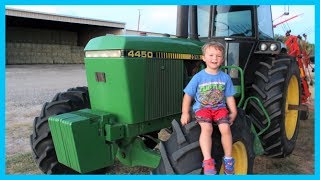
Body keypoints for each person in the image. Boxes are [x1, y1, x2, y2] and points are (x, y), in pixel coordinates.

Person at [180, 41, 237, 175]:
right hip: (202, 109)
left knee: (225, 128)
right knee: (207, 128)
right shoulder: (198, 77)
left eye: (218, 56)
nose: (214, 58)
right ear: (204, 58)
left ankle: (228, 160)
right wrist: (185, 113)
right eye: (211, 55)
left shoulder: (225, 78)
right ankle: (208, 161)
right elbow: (188, 96)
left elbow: (229, 97)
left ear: (222, 59)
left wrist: (233, 111)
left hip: (219, 108)